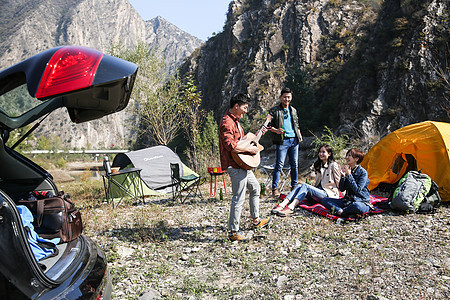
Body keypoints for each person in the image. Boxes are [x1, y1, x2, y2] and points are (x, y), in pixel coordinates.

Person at [219, 93, 271, 242]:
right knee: (238, 198)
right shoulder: (227, 123)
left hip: (242, 164)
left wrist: (254, 138)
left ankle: (256, 220)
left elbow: (240, 142)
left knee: (255, 188)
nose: (246, 111)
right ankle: (233, 231)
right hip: (235, 165)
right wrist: (250, 151)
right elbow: (230, 146)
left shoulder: (236, 121)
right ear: (236, 106)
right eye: (245, 107)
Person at [271, 144, 341, 216]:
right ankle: (282, 204)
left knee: (305, 185)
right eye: (320, 152)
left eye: (323, 152)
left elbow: (339, 182)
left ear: (329, 154)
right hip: (319, 191)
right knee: (299, 186)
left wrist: (343, 198)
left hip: (328, 194)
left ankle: (291, 207)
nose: (321, 154)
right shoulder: (318, 165)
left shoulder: (333, 165)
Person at [268, 87, 303, 197]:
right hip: (282, 140)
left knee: (294, 164)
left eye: (288, 97)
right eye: (284, 97)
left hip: (294, 140)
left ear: (291, 98)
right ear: (281, 97)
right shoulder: (274, 110)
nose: (286, 99)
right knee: (279, 165)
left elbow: (296, 124)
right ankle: (275, 188)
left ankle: (294, 186)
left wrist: (299, 135)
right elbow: (268, 125)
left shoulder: (293, 110)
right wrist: (276, 130)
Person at [321, 148, 372, 217]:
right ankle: (341, 211)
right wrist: (342, 177)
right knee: (324, 200)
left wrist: (349, 175)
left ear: (356, 159)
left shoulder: (363, 173)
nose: (346, 157)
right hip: (347, 201)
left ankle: (340, 211)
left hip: (360, 201)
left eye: (349, 156)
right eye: (346, 155)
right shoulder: (348, 170)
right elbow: (342, 189)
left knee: (357, 206)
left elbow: (357, 190)